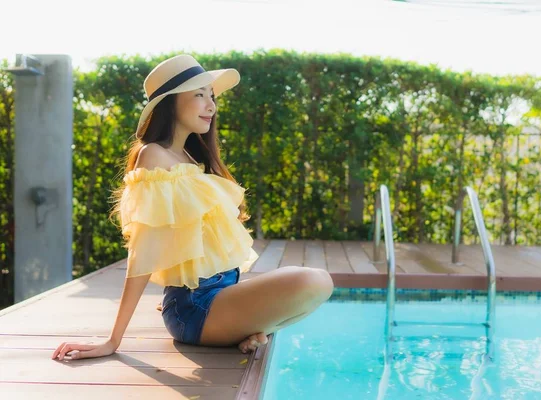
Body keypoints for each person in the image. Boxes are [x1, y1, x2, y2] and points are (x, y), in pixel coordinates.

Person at [52, 54, 333, 361]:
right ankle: (250, 328)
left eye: (211, 96)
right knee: (312, 281)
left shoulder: (189, 159)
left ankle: (252, 330)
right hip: (196, 306)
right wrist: (113, 340)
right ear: (169, 104)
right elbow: (142, 250)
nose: (211, 105)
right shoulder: (153, 156)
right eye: (199, 95)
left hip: (221, 292)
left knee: (316, 282)